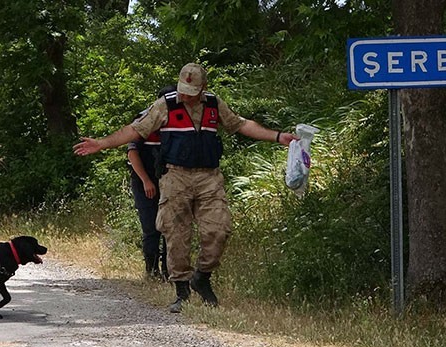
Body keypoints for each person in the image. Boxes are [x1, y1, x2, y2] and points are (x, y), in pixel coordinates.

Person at [74, 63, 297, 313]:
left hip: (209, 176)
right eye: (182, 89)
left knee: (219, 229)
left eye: (190, 91)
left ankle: (201, 277)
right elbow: (134, 130)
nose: (184, 95)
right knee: (175, 234)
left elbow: (241, 124)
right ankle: (181, 290)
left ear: (203, 89)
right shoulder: (165, 105)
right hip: (176, 176)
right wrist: (101, 144)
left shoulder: (213, 104)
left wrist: (278, 137)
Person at [127, 85, 175, 281]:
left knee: (170, 228)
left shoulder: (177, 122)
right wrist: (146, 181)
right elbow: (132, 152)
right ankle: (152, 271)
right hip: (145, 181)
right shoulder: (144, 120)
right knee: (151, 227)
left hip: (170, 182)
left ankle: (169, 271)